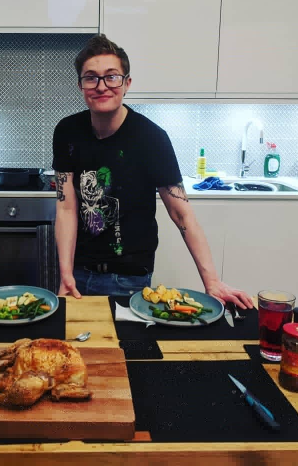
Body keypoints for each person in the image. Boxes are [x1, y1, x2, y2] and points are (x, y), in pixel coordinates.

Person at [52, 34, 253, 310]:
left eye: (112, 76)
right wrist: (65, 272)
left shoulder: (151, 138)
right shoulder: (67, 132)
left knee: (127, 349)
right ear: (80, 85)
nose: (101, 86)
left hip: (129, 277)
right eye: (91, 77)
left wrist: (212, 282)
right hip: (78, 272)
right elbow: (66, 208)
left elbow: (180, 212)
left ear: (127, 84)